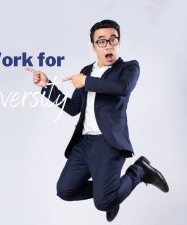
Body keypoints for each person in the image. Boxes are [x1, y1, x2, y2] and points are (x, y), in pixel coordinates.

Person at [26, 19, 169, 222]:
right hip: (84, 144)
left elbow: (122, 88)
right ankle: (112, 193)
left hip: (109, 144)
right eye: (101, 41)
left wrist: (86, 81)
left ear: (119, 42)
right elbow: (73, 109)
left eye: (113, 39)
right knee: (65, 190)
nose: (108, 44)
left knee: (102, 203)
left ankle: (139, 171)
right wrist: (46, 86)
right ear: (93, 46)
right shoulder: (86, 71)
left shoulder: (129, 69)